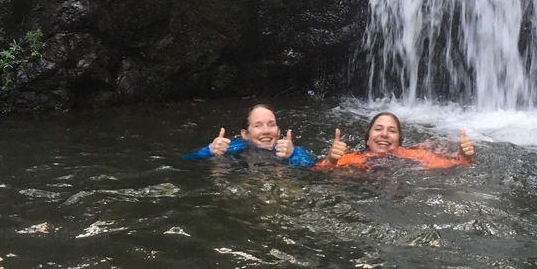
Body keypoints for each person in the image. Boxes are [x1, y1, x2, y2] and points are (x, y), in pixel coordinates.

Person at [316, 112, 475, 171]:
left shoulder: (415, 156)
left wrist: (464, 156)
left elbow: (455, 165)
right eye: (378, 129)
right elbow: (318, 171)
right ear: (368, 137)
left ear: (399, 140)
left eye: (392, 131)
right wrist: (330, 160)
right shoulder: (352, 158)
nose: (384, 134)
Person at [183, 103, 316, 168]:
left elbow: (313, 168)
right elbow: (187, 160)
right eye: (258, 125)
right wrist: (209, 150)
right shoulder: (234, 147)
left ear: (279, 131)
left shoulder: (291, 150)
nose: (266, 131)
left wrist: (292, 155)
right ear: (245, 134)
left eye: (271, 124)